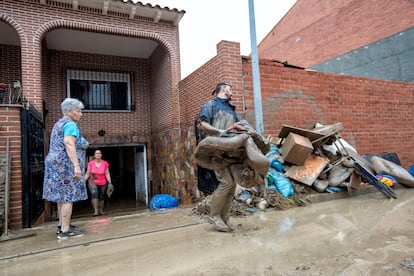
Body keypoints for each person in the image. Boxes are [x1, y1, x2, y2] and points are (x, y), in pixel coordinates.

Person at [197, 82, 249, 232]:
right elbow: (203, 124)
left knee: (232, 185)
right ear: (224, 89)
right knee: (226, 182)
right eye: (230, 89)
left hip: (230, 151)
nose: (232, 92)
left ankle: (225, 219)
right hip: (216, 150)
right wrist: (220, 132)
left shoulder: (231, 109)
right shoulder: (211, 105)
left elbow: (238, 125)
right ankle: (214, 215)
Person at [43, 98, 89, 240]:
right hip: (65, 165)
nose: (81, 114)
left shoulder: (58, 124)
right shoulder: (70, 124)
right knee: (68, 196)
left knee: (61, 197)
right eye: (78, 111)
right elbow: (69, 143)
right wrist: (76, 166)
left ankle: (62, 225)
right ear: (69, 111)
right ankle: (65, 231)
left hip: (55, 164)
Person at [85, 149, 112, 216]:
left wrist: (110, 182)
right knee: (94, 194)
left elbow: (107, 173)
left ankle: (101, 210)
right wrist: (83, 181)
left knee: (102, 195)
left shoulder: (105, 163)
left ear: (101, 155)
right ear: (94, 155)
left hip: (103, 182)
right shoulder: (90, 163)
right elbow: (87, 173)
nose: (98, 154)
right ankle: (96, 211)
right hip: (92, 181)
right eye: (96, 153)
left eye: (99, 153)